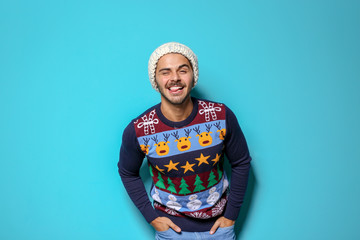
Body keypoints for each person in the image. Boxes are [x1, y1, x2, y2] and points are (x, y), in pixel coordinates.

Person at [118, 42, 251, 240]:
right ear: (155, 79)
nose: (175, 78)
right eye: (165, 72)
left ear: (193, 75)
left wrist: (231, 216)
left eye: (183, 70)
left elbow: (241, 162)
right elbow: (127, 172)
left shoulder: (220, 115)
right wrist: (152, 218)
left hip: (220, 230)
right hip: (171, 232)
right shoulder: (139, 129)